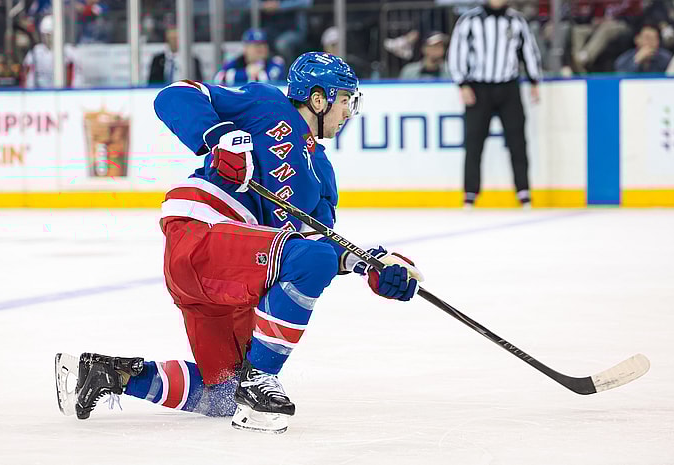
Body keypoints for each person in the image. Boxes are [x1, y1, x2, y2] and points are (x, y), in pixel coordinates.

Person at [54, 52, 423, 434]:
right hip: (202, 231)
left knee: (223, 394)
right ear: (319, 98)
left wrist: (372, 265)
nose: (349, 112)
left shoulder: (323, 177)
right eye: (345, 100)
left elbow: (321, 244)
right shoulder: (266, 104)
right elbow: (174, 95)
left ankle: (109, 374)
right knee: (307, 264)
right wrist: (220, 137)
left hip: (223, 277)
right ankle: (261, 378)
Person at [447, 0, 542, 208]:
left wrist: (534, 80)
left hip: (509, 87)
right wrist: (462, 83)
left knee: (518, 140)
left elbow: (529, 51)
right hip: (478, 88)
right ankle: (470, 194)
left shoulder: (517, 20)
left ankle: (523, 192)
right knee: (474, 142)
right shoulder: (469, 20)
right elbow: (457, 52)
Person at [21, 15, 83, 88]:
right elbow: (27, 74)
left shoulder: (69, 51)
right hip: (39, 93)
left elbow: (77, 76)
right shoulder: (36, 51)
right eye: (44, 35)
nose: (46, 38)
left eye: (49, 35)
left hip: (62, 93)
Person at [213, 28, 285, 86]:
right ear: (246, 48)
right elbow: (218, 78)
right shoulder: (237, 61)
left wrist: (235, 75)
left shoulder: (276, 61)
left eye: (263, 44)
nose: (261, 48)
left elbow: (267, 80)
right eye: (256, 45)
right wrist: (246, 72)